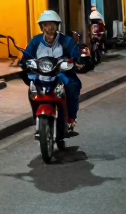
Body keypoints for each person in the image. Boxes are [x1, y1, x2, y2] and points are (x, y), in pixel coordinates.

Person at [21, 9, 81, 137]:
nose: (50, 27)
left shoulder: (66, 40)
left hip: (60, 73)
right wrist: (23, 63)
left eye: (53, 24)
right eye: (46, 24)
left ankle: (70, 118)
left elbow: (75, 54)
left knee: (72, 86)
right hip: (40, 74)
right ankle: (35, 115)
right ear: (42, 26)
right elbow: (27, 55)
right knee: (31, 89)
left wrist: (78, 61)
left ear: (57, 26)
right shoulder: (36, 41)